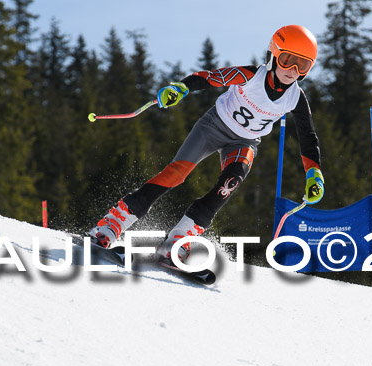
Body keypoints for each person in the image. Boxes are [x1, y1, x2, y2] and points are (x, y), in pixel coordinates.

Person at [88, 24, 325, 262]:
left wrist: (314, 173)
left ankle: (178, 241)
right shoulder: (250, 75)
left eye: (302, 64)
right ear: (273, 54)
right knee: (176, 174)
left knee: (228, 185)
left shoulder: (296, 98)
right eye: (287, 60)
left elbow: (308, 137)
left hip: (245, 142)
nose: (293, 70)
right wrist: (180, 87)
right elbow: (210, 78)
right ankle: (111, 225)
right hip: (213, 126)